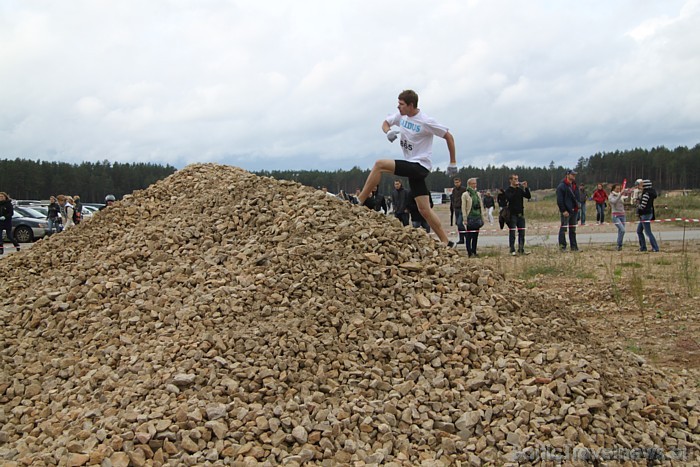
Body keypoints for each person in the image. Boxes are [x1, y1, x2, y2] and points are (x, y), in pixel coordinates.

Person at [357, 89, 457, 246]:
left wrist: (452, 162)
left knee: (379, 164)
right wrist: (388, 132)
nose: (398, 107)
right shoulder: (401, 116)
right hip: (412, 167)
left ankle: (359, 200)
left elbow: (448, 136)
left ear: (411, 105)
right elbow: (385, 123)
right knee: (424, 209)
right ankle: (446, 241)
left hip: (420, 165)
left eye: (401, 104)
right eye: (398, 104)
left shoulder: (425, 121)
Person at [503, 174, 531, 255]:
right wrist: (515, 188)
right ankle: (512, 250)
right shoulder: (508, 190)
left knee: (522, 232)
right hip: (512, 215)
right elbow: (510, 198)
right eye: (515, 179)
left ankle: (521, 249)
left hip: (520, 214)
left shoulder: (519, 190)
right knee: (512, 233)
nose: (516, 180)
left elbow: (528, 196)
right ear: (511, 180)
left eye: (517, 179)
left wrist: (525, 188)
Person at [461, 178, 487, 257]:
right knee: (469, 236)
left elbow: (481, 206)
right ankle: (469, 252)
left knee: (475, 235)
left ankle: (474, 251)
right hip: (470, 217)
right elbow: (463, 207)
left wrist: (483, 216)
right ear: (469, 184)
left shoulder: (478, 194)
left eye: (475, 183)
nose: (475, 185)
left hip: (477, 216)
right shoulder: (465, 194)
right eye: (473, 183)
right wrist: (465, 218)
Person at [556, 169, 580, 252]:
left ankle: (574, 247)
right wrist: (563, 210)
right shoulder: (561, 186)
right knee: (563, 229)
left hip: (574, 210)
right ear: (567, 175)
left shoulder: (574, 185)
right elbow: (559, 200)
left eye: (575, 175)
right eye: (572, 174)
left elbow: (577, 197)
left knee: (573, 229)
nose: (574, 176)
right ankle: (562, 247)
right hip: (566, 211)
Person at [636, 179, 659, 252]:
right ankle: (643, 247)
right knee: (639, 231)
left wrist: (637, 205)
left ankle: (655, 248)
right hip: (647, 213)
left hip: (645, 214)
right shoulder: (650, 193)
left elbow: (643, 206)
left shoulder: (646, 194)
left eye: (642, 184)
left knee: (648, 232)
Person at [608, 184, 626, 251]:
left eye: (619, 188)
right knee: (622, 230)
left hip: (622, 214)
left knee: (621, 231)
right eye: (617, 189)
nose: (618, 190)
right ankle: (619, 244)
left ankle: (619, 246)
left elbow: (622, 201)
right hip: (615, 215)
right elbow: (614, 201)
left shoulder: (620, 195)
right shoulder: (611, 196)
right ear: (613, 189)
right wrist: (620, 195)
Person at [450, 178, 467, 244]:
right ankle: (461, 239)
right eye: (455, 182)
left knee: (460, 223)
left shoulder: (464, 189)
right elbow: (453, 199)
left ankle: (466, 235)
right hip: (456, 208)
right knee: (458, 224)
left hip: (462, 208)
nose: (456, 184)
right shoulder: (454, 190)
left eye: (457, 182)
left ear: (460, 182)